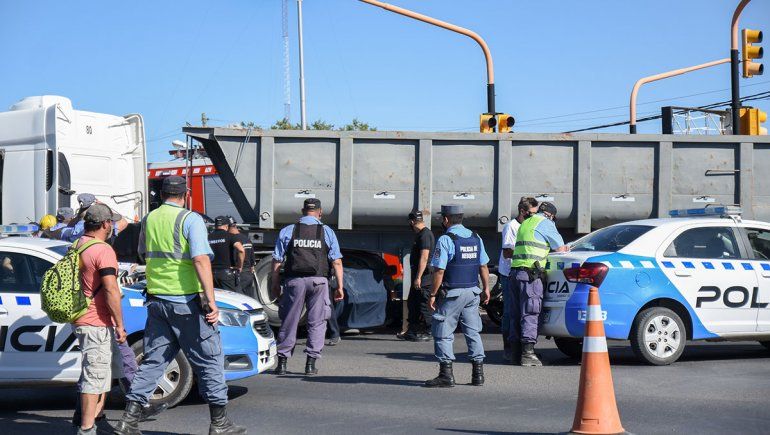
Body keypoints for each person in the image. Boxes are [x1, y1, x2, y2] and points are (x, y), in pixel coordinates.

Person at [113, 175, 246, 435]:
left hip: (157, 301)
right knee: (210, 360)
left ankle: (128, 421)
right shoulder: (190, 219)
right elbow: (200, 260)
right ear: (184, 195)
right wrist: (211, 300)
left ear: (161, 195)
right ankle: (219, 423)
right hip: (186, 302)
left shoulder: (150, 219)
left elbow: (143, 253)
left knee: (153, 362)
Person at [271, 198, 344, 376]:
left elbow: (277, 261)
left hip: (294, 281)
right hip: (318, 281)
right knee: (317, 322)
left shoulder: (289, 230)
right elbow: (337, 261)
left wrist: (274, 284)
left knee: (290, 320)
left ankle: (282, 364)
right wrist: (340, 286)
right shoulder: (326, 231)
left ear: (302, 211)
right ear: (320, 212)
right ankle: (310, 365)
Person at [71, 204, 127, 435]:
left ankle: (97, 417)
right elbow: (111, 289)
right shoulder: (102, 250)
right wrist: (120, 325)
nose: (112, 226)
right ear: (105, 224)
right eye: (110, 222)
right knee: (94, 376)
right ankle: (86, 428)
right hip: (96, 320)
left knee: (103, 372)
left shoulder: (77, 244)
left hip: (82, 317)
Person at [424, 204, 490, 388]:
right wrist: (486, 289)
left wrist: (433, 294)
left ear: (446, 220)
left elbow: (439, 271)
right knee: (473, 332)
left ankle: (446, 375)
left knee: (443, 332)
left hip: (452, 294)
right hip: (472, 292)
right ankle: (478, 375)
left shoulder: (446, 239)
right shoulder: (476, 237)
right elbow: (483, 266)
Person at [510, 201, 569, 367]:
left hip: (515, 274)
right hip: (531, 275)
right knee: (530, 312)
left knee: (516, 315)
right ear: (550, 215)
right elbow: (561, 249)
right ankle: (528, 354)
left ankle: (515, 354)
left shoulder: (525, 223)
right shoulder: (546, 223)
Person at [499, 197, 539, 363]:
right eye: (532, 213)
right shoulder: (512, 226)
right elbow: (507, 252)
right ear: (523, 211)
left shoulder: (530, 225)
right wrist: (527, 252)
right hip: (510, 273)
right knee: (510, 312)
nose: (535, 216)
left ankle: (522, 349)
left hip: (522, 271)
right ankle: (509, 349)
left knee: (525, 311)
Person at [397, 210, 434, 342]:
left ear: (412, 222)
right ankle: (411, 331)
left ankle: (430, 331)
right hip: (417, 277)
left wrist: (418, 277)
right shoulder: (421, 234)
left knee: (424, 305)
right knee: (413, 304)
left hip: (423, 278)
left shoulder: (425, 235)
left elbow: (424, 258)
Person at [60, 193, 129, 242]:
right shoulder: (102, 229)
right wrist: (105, 207)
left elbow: (69, 225)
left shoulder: (67, 231)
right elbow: (124, 222)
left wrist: (80, 215)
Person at [209, 216, 244, 292]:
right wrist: (239, 266)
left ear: (215, 226)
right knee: (233, 298)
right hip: (225, 274)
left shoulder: (208, 237)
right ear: (226, 226)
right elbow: (241, 250)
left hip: (210, 273)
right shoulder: (230, 236)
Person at [227, 217, 257, 299]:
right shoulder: (246, 239)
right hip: (248, 275)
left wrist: (238, 267)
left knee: (240, 300)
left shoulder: (233, 240)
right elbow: (252, 260)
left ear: (228, 227)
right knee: (250, 299)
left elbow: (236, 255)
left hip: (239, 274)